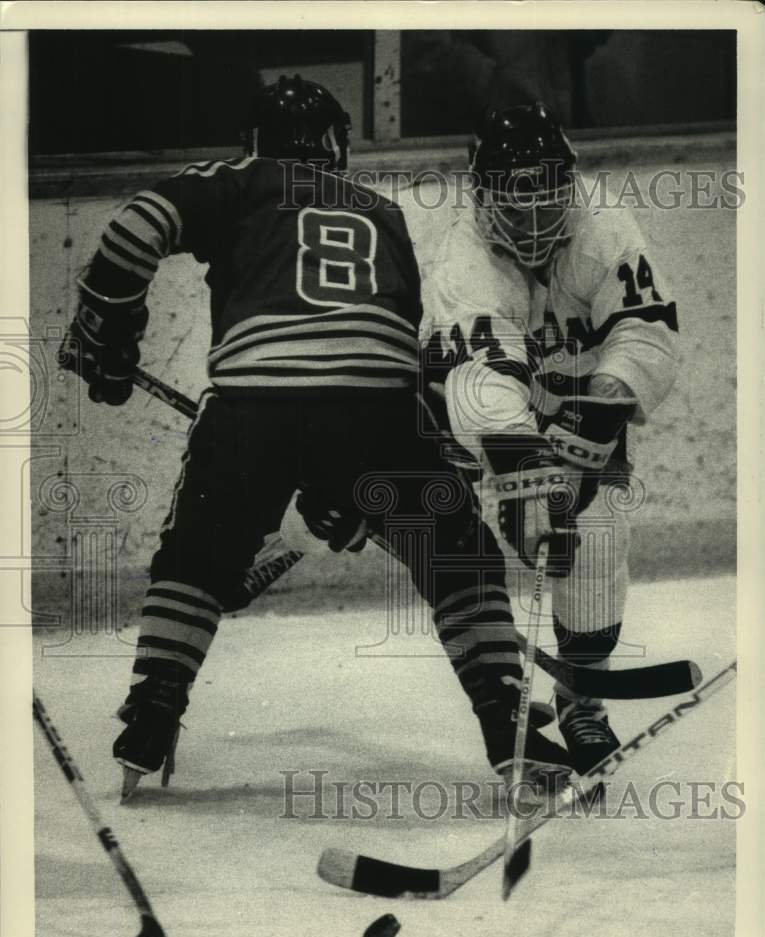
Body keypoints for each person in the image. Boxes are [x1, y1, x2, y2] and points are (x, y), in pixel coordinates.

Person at [60, 77, 572, 802]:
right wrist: (360, 490)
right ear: (336, 145)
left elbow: (138, 224)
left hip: (250, 410)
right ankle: (510, 726)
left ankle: (150, 715)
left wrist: (108, 329)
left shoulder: (238, 180)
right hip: (379, 413)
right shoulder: (382, 212)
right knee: (459, 556)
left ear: (255, 141)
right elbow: (394, 356)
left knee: (198, 559)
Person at [420, 101, 680, 774]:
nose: (536, 221)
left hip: (575, 396)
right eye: (517, 203)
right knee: (443, 532)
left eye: (547, 199)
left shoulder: (604, 227)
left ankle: (580, 702)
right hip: (477, 410)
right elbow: (482, 375)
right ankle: (500, 693)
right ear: (482, 198)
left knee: (593, 541)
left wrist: (591, 424)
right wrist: (525, 471)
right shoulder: (463, 256)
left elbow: (644, 333)